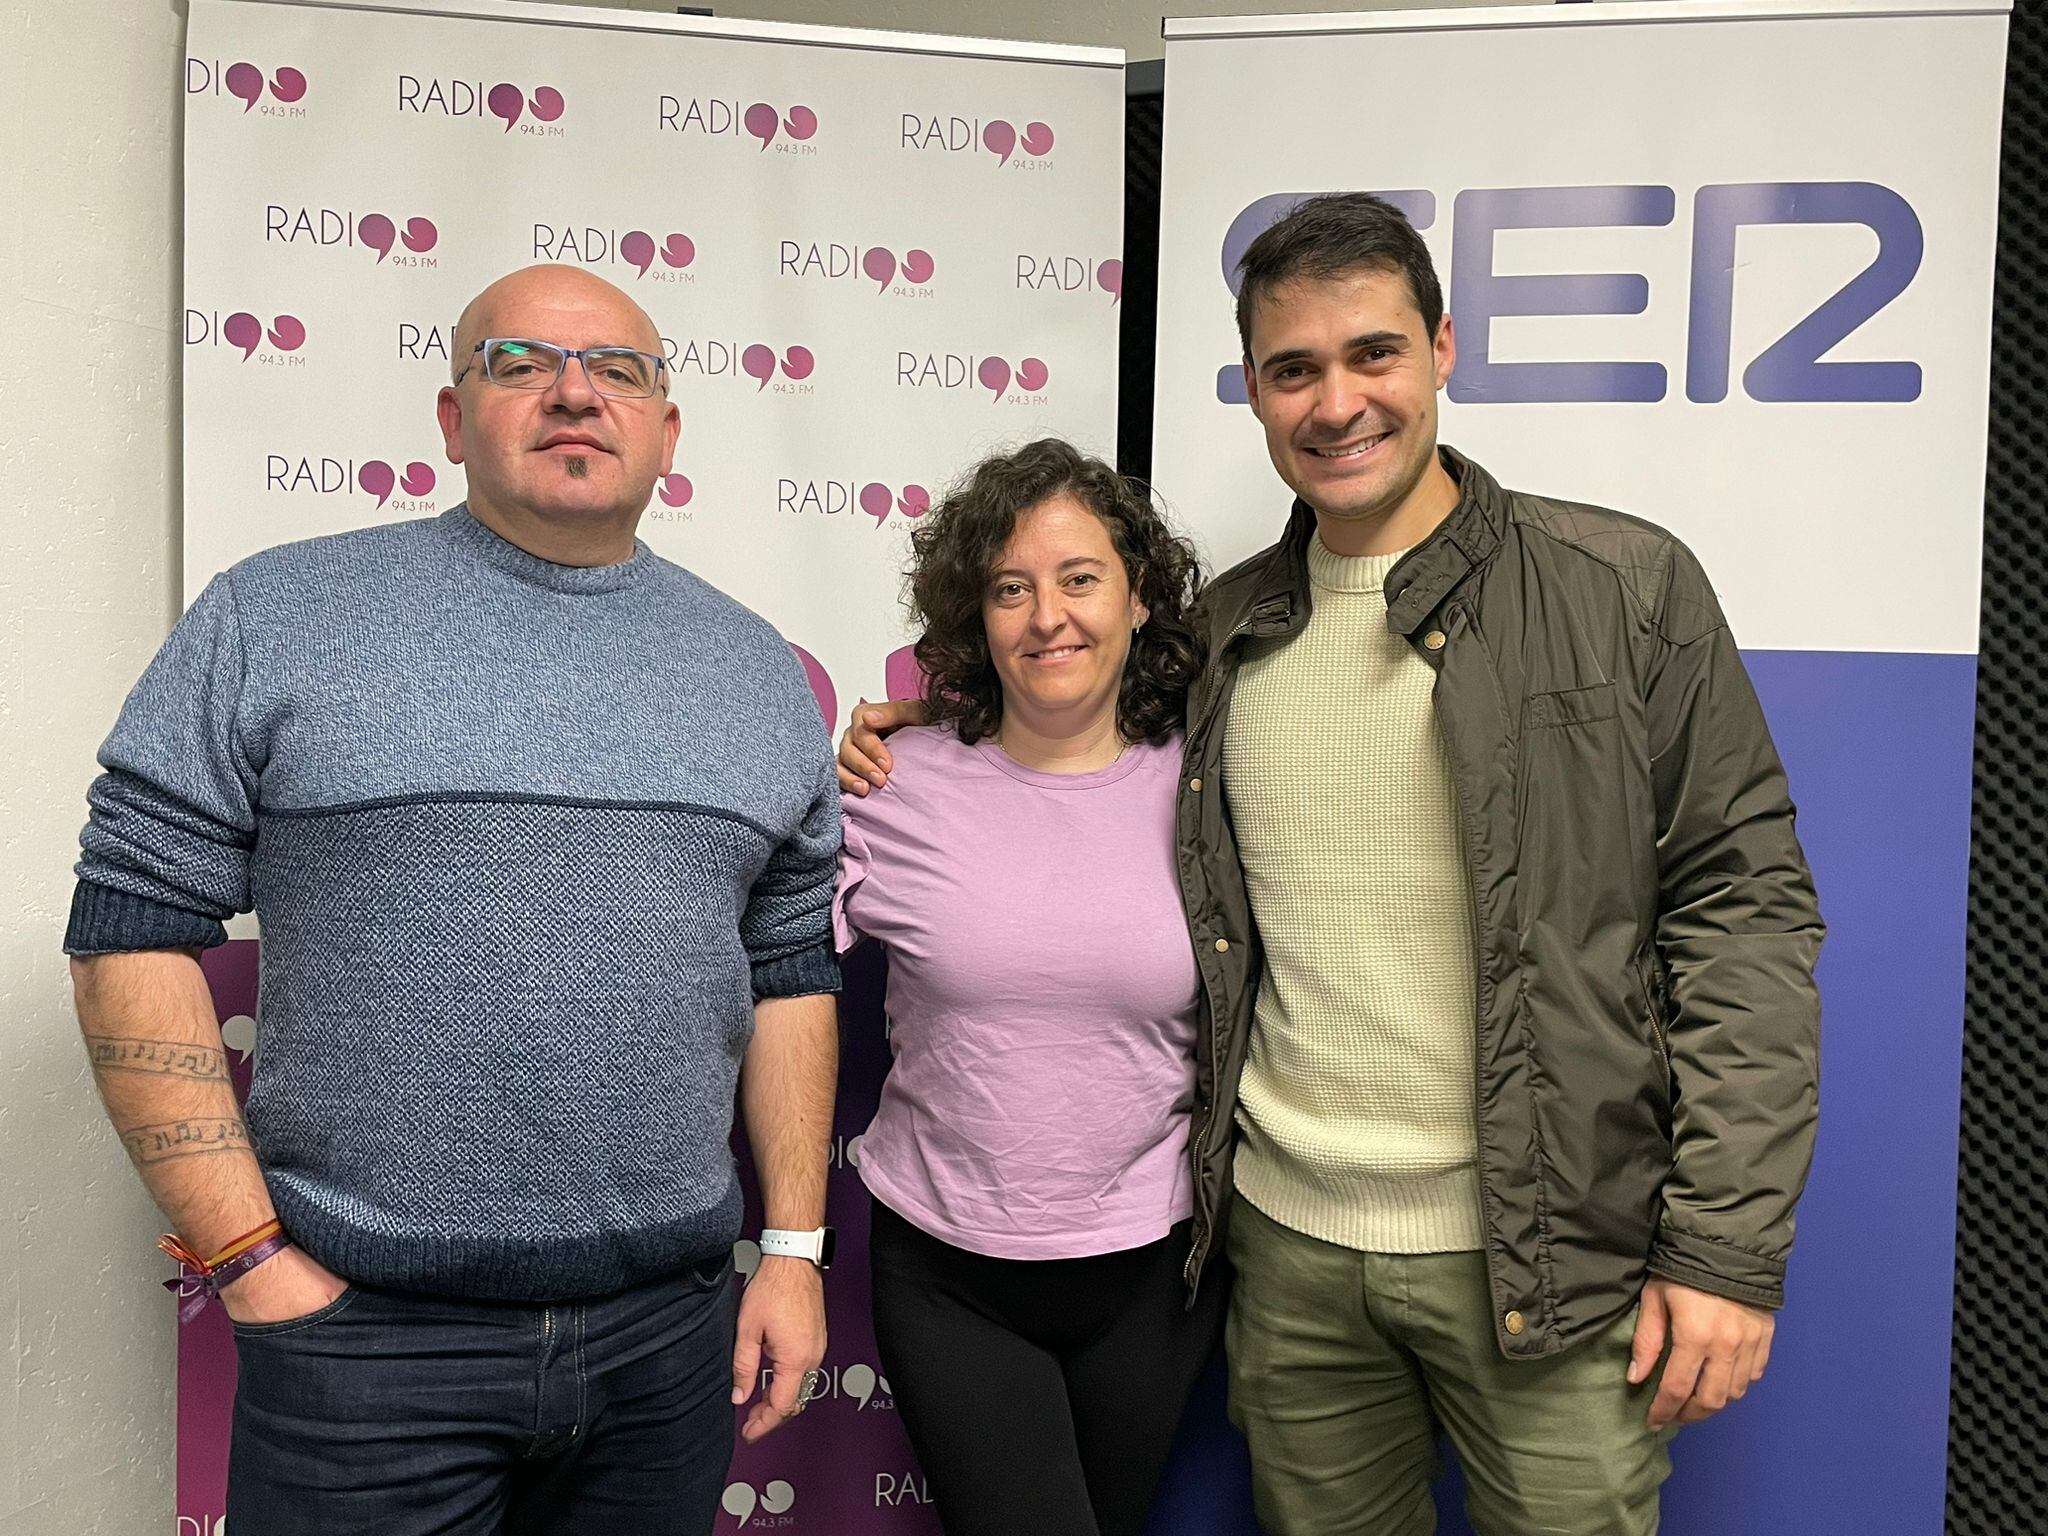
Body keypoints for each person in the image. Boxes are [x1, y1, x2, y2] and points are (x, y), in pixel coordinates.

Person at [839, 194, 1825, 1535]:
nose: (1336, 401)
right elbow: (1055, 736)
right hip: (1286, 1261)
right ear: (1254, 388)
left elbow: (1744, 915)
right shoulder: (1224, 635)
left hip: (1541, 1255)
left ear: (1443, 351)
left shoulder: (1624, 588)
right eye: (1294, 368)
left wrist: (1725, 1248)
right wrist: (920, 721)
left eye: (1373, 354)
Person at [66, 264, 841, 1534]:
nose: (574, 392)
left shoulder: (756, 670)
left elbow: (789, 970)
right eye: (520, 361)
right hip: (364, 1355)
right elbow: (126, 932)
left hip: (668, 1343)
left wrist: (796, 1253)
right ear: (449, 416)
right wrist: (251, 1264)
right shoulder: (279, 614)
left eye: (618, 370)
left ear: (667, 429)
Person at [834, 438, 1225, 1536]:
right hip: (950, 1272)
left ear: (1139, 599)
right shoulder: (889, 785)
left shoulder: (1210, 786)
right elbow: (761, 962)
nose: (1046, 615)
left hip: (1157, 1273)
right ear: (977, 617)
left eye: (1079, 578)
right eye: (1010, 589)